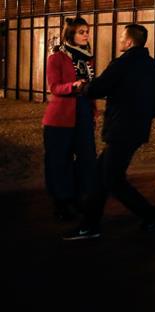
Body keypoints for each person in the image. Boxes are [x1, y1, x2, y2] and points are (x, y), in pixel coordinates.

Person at [63, 24, 155, 240]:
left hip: (121, 130)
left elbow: (99, 87)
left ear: (129, 42)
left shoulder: (121, 64)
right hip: (137, 130)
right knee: (102, 175)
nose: (119, 40)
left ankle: (152, 215)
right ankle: (90, 224)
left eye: (122, 37)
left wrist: (83, 87)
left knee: (112, 179)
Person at [43, 16, 97, 222]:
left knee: (86, 159)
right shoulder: (56, 58)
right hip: (60, 117)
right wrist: (73, 86)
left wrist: (92, 112)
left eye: (87, 31)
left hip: (83, 113)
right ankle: (61, 203)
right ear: (71, 34)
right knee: (59, 161)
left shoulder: (87, 57)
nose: (86, 35)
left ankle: (79, 198)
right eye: (81, 32)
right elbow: (54, 87)